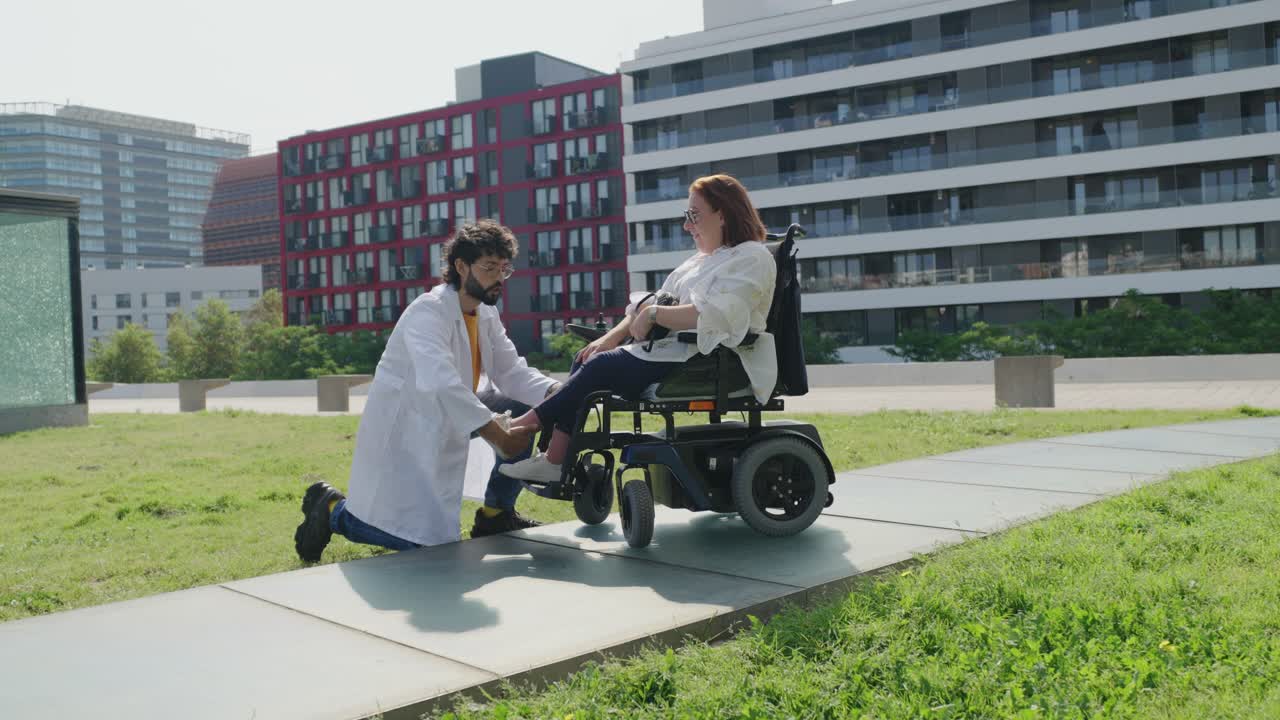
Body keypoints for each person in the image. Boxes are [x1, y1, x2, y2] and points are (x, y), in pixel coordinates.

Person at [293, 220, 561, 562]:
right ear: (461, 267)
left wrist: (557, 392)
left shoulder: (485, 313)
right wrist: (497, 433)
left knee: (528, 405)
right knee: (426, 546)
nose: (498, 277)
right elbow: (440, 382)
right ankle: (331, 510)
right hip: (411, 421)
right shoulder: (428, 312)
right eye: (489, 267)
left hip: (454, 408)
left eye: (504, 269)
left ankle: (495, 517)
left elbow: (511, 371)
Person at [500, 174, 778, 485]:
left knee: (601, 366)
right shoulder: (700, 261)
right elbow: (646, 307)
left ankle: (526, 425)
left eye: (693, 215)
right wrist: (609, 338)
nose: (687, 226)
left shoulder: (753, 257)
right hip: (674, 353)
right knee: (588, 356)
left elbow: (712, 316)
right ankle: (554, 461)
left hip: (711, 360)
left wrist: (656, 315)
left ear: (723, 213)